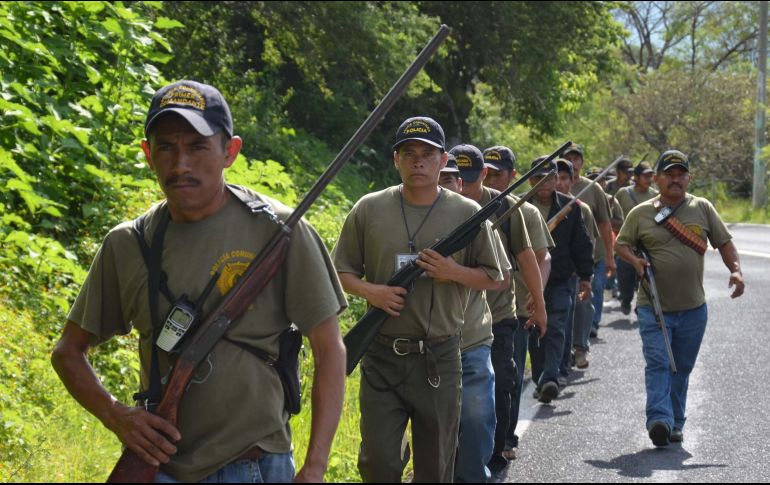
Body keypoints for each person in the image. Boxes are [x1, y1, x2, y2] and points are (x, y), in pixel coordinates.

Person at [50, 80, 347, 483]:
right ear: (147, 155)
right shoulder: (129, 243)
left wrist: (314, 468)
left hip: (255, 466)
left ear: (230, 151)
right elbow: (68, 351)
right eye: (166, 147)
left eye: (197, 146)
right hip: (162, 470)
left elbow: (330, 349)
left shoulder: (279, 231)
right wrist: (117, 416)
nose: (180, 164)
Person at [332, 117, 506, 483]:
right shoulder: (368, 208)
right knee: (378, 463)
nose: (418, 161)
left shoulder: (467, 214)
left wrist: (452, 272)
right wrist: (372, 292)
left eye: (428, 154)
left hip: (440, 357)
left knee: (435, 467)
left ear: (444, 160)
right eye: (409, 153)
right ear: (395, 159)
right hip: (381, 355)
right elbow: (339, 272)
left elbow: (498, 277)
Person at [615, 149, 745, 447]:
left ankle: (676, 421)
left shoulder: (702, 208)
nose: (675, 180)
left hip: (693, 309)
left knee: (681, 367)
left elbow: (724, 243)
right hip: (654, 307)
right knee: (659, 362)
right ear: (657, 179)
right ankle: (659, 419)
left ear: (689, 178)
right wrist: (634, 261)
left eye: (680, 174)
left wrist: (736, 272)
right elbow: (621, 245)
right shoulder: (641, 213)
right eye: (669, 175)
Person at [450, 144, 547, 476]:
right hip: (451, 319)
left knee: (503, 380)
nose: (463, 185)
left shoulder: (505, 206)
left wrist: (539, 301)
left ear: (485, 175)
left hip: (501, 313)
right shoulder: (440, 205)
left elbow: (526, 257)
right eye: (456, 178)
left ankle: (498, 448)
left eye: (470, 179)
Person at [482, 145, 553, 463]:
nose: (493, 180)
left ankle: (506, 437)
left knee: (505, 376)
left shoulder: (525, 211)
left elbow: (542, 257)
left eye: (499, 174)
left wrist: (538, 298)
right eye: (488, 173)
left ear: (513, 175)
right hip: (470, 311)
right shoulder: (467, 206)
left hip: (515, 308)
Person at [527, 157, 593, 404]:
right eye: (537, 178)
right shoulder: (519, 206)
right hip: (529, 282)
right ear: (530, 180)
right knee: (533, 329)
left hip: (561, 279)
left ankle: (551, 378)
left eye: (548, 178)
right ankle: (539, 379)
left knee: (556, 327)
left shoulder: (571, 207)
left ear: (557, 180)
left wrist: (586, 277)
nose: (543, 183)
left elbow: (581, 244)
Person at [563, 144, 615, 345]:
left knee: (592, 293)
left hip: (594, 255)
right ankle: (569, 345)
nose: (573, 163)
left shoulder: (593, 189)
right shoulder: (555, 187)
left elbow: (604, 223)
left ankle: (586, 335)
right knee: (568, 303)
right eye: (569, 159)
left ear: (582, 163)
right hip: (566, 258)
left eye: (576, 159)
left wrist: (610, 257)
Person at [554, 160, 600, 371]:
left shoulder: (582, 209)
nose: (559, 183)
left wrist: (585, 276)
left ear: (572, 181)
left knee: (581, 306)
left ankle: (580, 348)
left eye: (564, 178)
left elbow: (587, 244)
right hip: (550, 273)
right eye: (555, 178)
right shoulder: (537, 208)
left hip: (573, 273)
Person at [615, 161, 659, 315]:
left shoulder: (655, 195)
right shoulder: (623, 194)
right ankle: (626, 300)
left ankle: (642, 306)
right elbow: (612, 216)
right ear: (636, 177)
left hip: (647, 244)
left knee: (646, 278)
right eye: (645, 176)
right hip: (626, 244)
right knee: (626, 278)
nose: (649, 179)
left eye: (651, 176)